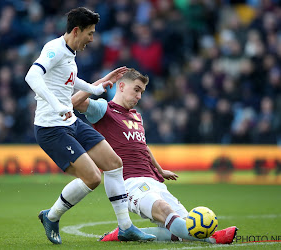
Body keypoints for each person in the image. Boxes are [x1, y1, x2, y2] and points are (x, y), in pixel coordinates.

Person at [25, 7, 156, 245]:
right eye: (90, 33)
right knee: (93, 177)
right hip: (51, 129)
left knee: (114, 164)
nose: (92, 39)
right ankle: (51, 216)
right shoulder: (53, 49)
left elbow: (69, 80)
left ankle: (125, 227)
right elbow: (31, 76)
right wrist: (56, 105)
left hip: (71, 123)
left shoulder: (68, 53)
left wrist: (97, 87)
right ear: (77, 31)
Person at [72, 68, 238, 244]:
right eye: (136, 89)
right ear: (121, 86)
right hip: (129, 183)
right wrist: (101, 82)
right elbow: (73, 102)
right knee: (165, 211)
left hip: (153, 180)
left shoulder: (137, 116)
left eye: (142, 92)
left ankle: (122, 233)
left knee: (183, 227)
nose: (139, 96)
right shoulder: (104, 109)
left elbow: (142, 146)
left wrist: (159, 170)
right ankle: (213, 239)